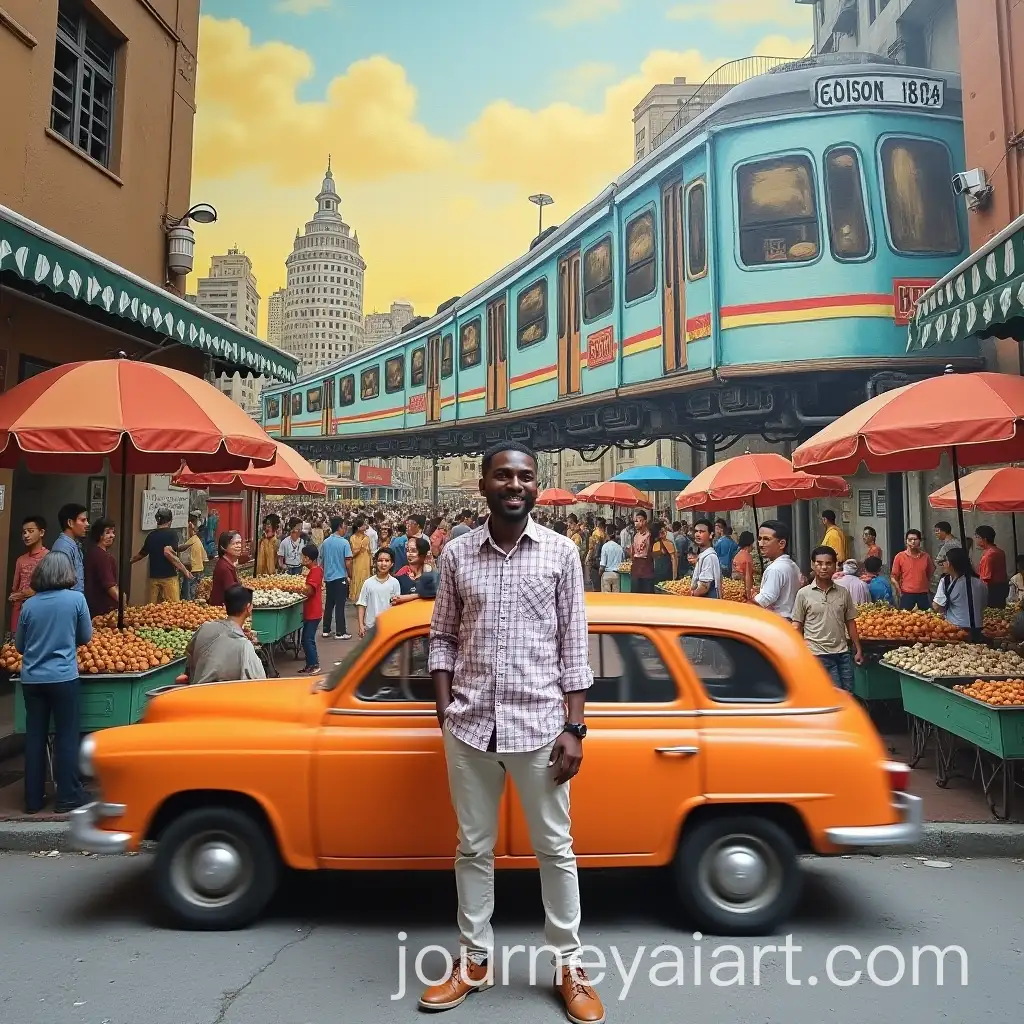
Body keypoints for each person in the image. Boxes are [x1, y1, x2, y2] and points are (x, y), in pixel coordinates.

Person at [424, 441, 603, 1023]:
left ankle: (569, 966)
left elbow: (574, 644)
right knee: (472, 848)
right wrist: (445, 705)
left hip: (541, 727)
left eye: (525, 476)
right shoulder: (455, 555)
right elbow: (442, 636)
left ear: (537, 485)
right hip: (470, 726)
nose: (515, 485)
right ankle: (474, 961)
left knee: (555, 849)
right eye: (503, 476)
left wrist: (575, 727)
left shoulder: (561, 554)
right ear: (484, 485)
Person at [15, 551, 92, 814]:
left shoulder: (29, 605)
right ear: (67, 573)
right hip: (63, 677)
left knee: (35, 737)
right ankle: (67, 797)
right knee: (66, 736)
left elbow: (20, 646)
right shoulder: (76, 600)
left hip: (32, 680)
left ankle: (33, 800)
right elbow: (85, 636)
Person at [791, 546, 864, 691]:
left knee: (849, 694)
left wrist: (858, 648)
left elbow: (850, 621)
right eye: (819, 563)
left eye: (828, 563)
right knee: (835, 695)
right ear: (813, 565)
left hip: (843, 653)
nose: (823, 567)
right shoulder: (803, 594)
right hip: (818, 654)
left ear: (835, 566)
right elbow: (797, 625)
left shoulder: (843, 593)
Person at [177, 584, 266, 685]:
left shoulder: (204, 628)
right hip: (221, 699)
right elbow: (259, 682)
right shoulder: (244, 646)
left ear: (225, 606)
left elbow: (189, 656)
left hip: (195, 691)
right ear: (248, 608)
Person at [130, 508, 192, 603]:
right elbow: (168, 552)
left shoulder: (151, 536)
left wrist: (129, 561)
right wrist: (185, 570)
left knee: (154, 610)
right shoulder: (172, 534)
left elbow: (141, 554)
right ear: (170, 520)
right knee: (172, 609)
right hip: (169, 578)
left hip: (153, 579)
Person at [752, 520, 801, 619]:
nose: (761, 544)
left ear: (781, 544)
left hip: (778, 622)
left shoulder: (775, 569)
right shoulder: (791, 564)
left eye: (766, 539)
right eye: (759, 539)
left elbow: (765, 599)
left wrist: (747, 603)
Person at [9, 515, 48, 634]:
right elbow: (15, 590)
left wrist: (31, 592)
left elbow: (52, 588)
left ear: (41, 532)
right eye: (24, 532)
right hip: (19, 613)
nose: (26, 535)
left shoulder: (49, 558)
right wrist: (16, 596)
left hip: (40, 612)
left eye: (30, 531)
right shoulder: (21, 560)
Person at [933, 547, 988, 630]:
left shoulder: (945, 581)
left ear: (950, 564)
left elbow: (936, 606)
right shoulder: (980, 583)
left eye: (945, 561)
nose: (943, 564)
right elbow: (983, 605)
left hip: (955, 629)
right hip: (978, 628)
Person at [321, 516, 353, 640]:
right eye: (344, 526)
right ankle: (340, 632)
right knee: (340, 605)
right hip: (340, 577)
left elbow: (322, 560)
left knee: (329, 604)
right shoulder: (344, 542)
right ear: (339, 527)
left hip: (328, 577)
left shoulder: (326, 542)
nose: (345, 529)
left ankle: (326, 629)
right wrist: (350, 574)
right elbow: (348, 561)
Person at [356, 549, 401, 637]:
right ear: (376, 562)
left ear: (392, 564)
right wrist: (361, 625)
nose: (383, 564)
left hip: (389, 628)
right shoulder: (368, 583)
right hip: (370, 628)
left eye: (387, 561)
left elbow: (397, 606)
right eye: (380, 560)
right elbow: (362, 604)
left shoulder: (395, 583)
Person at [84, 518, 119, 618]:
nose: (112, 535)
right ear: (99, 535)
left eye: (113, 532)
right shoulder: (102, 557)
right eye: (107, 532)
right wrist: (123, 604)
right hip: (105, 610)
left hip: (93, 606)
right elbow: (110, 586)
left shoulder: (92, 552)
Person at [891, 529, 935, 611]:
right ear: (906, 541)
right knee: (905, 620)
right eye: (910, 540)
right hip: (907, 594)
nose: (913, 542)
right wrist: (899, 591)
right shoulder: (900, 557)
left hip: (923, 594)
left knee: (927, 620)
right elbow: (893, 577)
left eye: (915, 539)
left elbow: (930, 573)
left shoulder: (926, 557)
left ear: (920, 541)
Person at [51, 502, 88, 593]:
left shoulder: (74, 544)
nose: (87, 524)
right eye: (83, 520)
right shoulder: (62, 547)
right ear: (70, 523)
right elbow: (60, 583)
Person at [299, 543, 323, 675]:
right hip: (311, 610)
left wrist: (299, 589)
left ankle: (314, 664)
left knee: (308, 639)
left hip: (313, 611)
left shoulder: (315, 571)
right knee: (305, 639)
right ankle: (309, 664)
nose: (302, 559)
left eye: (304, 557)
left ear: (309, 559)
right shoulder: (315, 571)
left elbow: (309, 591)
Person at [392, 536, 439, 603]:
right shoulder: (401, 574)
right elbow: (395, 598)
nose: (409, 554)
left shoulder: (430, 573)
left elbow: (434, 593)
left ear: (423, 554)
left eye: (413, 551)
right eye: (408, 550)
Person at [975, 526, 1008, 608]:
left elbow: (985, 579)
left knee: (991, 615)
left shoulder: (989, 555)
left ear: (984, 539)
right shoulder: (1000, 551)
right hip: (1002, 587)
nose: (975, 539)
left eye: (977, 537)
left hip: (992, 590)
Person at [208, 531, 242, 607]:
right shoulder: (224, 567)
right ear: (223, 547)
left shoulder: (227, 563)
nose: (239, 546)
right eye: (235, 543)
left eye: (239, 543)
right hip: (221, 610)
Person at [177, 513, 207, 601]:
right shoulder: (198, 541)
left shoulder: (191, 541)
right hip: (199, 569)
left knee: (188, 594)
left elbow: (184, 557)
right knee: (195, 592)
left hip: (192, 570)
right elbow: (204, 557)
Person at [691, 518, 722, 598]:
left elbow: (704, 587)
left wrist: (694, 594)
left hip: (707, 603)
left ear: (711, 535)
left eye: (701, 532)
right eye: (696, 531)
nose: (697, 534)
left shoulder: (709, 557)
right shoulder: (704, 554)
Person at [628, 509, 655, 593]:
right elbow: (632, 552)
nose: (637, 523)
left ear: (645, 521)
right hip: (636, 569)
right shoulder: (635, 536)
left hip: (646, 569)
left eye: (640, 520)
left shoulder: (650, 535)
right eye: (636, 521)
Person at [932, 520, 961, 594]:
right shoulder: (956, 541)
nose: (936, 533)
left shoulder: (949, 545)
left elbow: (939, 562)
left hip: (950, 577)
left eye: (937, 531)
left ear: (943, 531)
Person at [348, 516, 373, 603]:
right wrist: (360, 548)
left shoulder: (367, 537)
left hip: (366, 562)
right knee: (357, 580)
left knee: (366, 580)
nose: (365, 527)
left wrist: (371, 563)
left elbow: (369, 551)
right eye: (363, 525)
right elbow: (352, 553)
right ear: (359, 527)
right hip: (357, 563)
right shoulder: (353, 538)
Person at [598, 525, 625, 592]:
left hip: (606, 575)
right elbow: (622, 563)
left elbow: (602, 565)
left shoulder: (605, 546)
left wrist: (600, 574)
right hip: (617, 575)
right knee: (616, 599)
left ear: (607, 534)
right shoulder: (619, 548)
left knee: (606, 599)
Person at [731, 530, 755, 601]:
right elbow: (748, 576)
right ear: (750, 544)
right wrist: (749, 595)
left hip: (734, 589)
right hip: (743, 591)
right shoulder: (748, 557)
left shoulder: (737, 554)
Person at [651, 521, 677, 586]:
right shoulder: (669, 543)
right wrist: (674, 576)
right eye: (662, 531)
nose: (665, 532)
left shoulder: (654, 545)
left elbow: (654, 561)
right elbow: (674, 560)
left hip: (657, 574)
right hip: (667, 574)